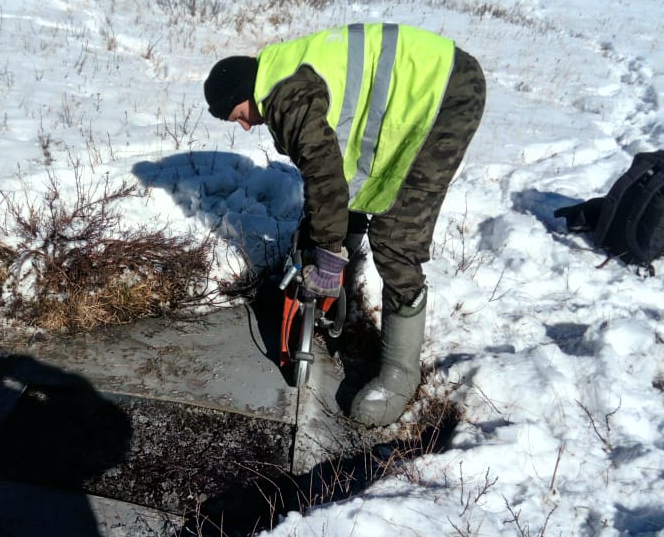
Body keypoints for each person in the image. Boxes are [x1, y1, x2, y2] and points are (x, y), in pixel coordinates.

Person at [203, 22, 485, 428]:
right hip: (419, 93)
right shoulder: (280, 75)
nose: (246, 125)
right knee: (353, 196)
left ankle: (399, 374)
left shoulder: (287, 97)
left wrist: (329, 254)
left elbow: (323, 174)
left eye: (238, 116)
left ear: (245, 95)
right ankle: (347, 291)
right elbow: (338, 165)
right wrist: (327, 240)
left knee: (395, 238)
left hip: (447, 96)